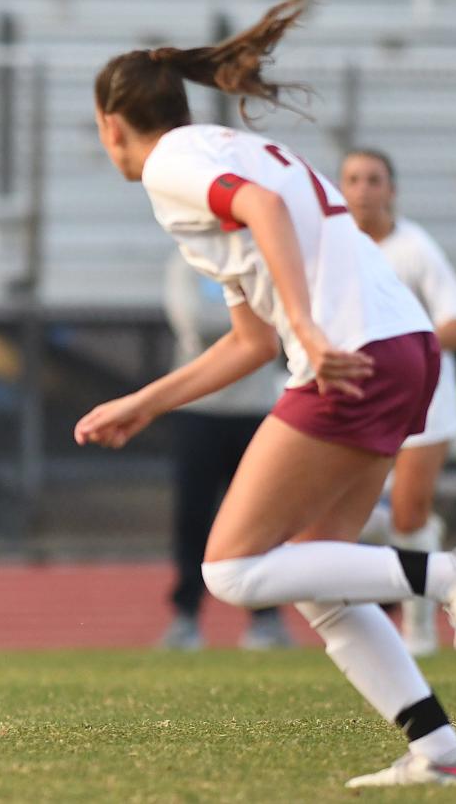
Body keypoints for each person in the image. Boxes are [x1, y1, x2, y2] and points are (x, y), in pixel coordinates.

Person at [74, 0, 456, 788]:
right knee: (320, 574)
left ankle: (452, 575)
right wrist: (146, 401)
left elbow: (263, 214)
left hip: (351, 354)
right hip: (400, 348)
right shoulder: (226, 145)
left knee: (230, 571)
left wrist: (307, 327)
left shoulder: (170, 163)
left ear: (111, 123)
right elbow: (250, 340)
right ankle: (439, 750)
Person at [340, 149, 456, 657]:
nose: (362, 189)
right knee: (347, 512)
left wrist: (407, 349)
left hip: (424, 397)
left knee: (406, 512)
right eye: (352, 179)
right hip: (363, 398)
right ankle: (430, 545)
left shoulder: (415, 246)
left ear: (391, 189)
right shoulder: (335, 247)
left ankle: (418, 628)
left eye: (373, 179)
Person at [160, 254, 294, 650]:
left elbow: (284, 326)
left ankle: (266, 618)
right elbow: (194, 325)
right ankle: (186, 617)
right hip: (197, 409)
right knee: (193, 517)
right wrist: (255, 326)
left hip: (255, 410)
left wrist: (253, 332)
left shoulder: (263, 260)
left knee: (261, 516)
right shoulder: (186, 263)